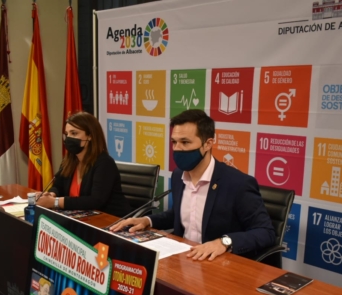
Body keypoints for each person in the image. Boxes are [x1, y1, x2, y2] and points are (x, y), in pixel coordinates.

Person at [111, 109, 275, 261]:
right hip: (184, 259)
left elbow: (265, 232)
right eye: (174, 142)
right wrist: (147, 220)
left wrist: (224, 242)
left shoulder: (238, 184)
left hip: (218, 265)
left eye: (185, 142)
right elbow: (180, 215)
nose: (178, 149)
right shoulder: (177, 176)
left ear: (208, 144)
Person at [36, 111, 131, 217]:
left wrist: (55, 202)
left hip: (110, 220)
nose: (69, 138)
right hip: (81, 218)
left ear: (90, 136)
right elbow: (58, 186)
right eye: (67, 134)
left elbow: (95, 200)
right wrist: (51, 195)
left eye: (74, 133)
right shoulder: (69, 160)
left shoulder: (104, 163)